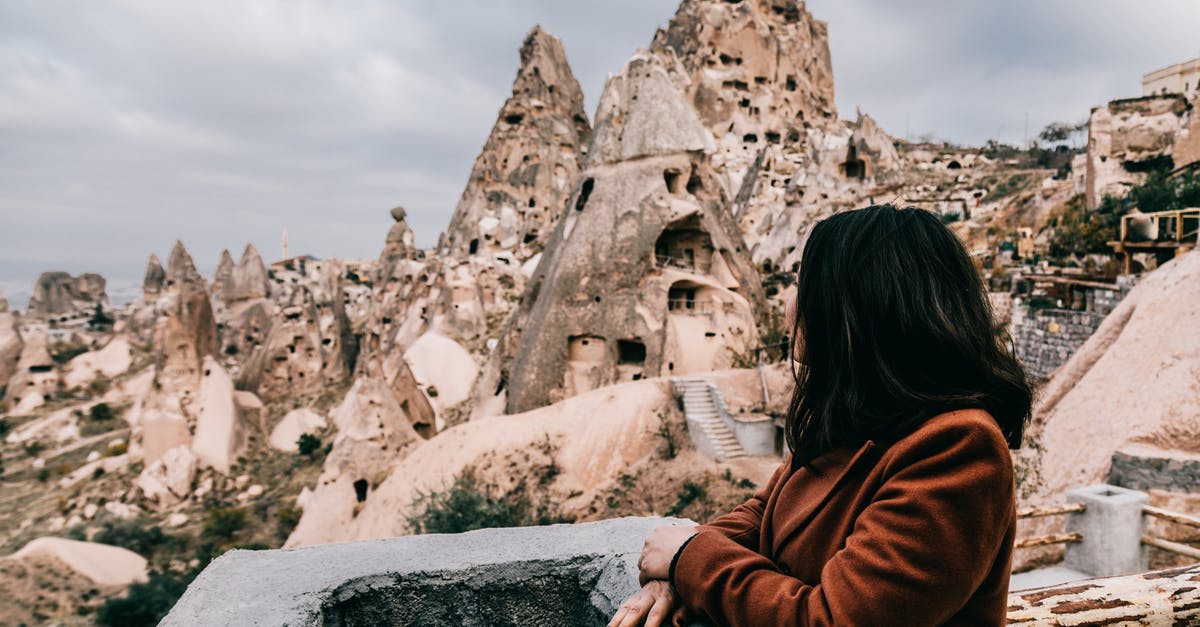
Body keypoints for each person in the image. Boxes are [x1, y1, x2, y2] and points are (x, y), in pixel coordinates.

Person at [609, 204, 1032, 626]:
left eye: (802, 283)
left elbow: (833, 619)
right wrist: (679, 570)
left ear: (859, 304)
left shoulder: (958, 448)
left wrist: (689, 558)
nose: (791, 304)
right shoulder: (856, 417)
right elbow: (763, 515)